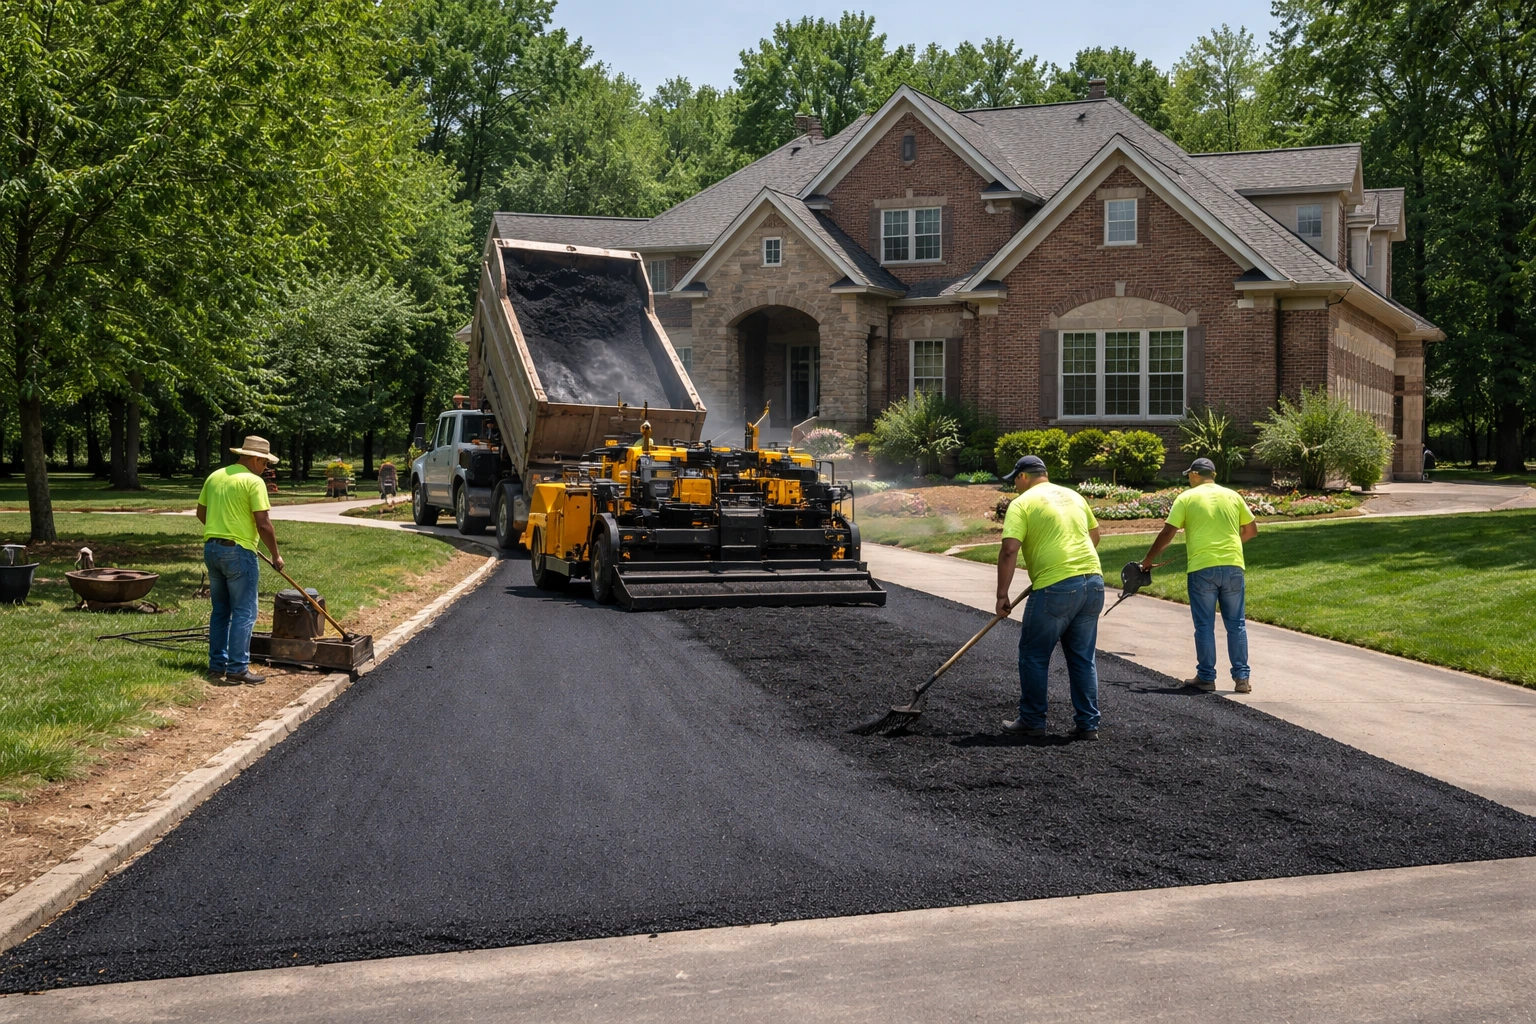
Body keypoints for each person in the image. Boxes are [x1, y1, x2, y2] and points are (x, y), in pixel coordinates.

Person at [995, 455, 1105, 741]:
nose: (1015, 488)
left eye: (1014, 482)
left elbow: (1009, 550)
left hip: (1056, 587)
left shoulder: (1022, 504)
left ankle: (1032, 720)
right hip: (1093, 582)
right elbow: (1094, 537)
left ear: (1023, 477)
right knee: (1082, 659)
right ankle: (1088, 724)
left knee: (1033, 655)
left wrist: (1002, 595)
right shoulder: (1073, 496)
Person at [1138, 458, 1258, 694]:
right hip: (1233, 566)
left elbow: (1168, 532)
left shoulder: (1186, 498)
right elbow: (1251, 530)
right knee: (1236, 625)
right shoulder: (1233, 496)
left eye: (1188, 475)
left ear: (1194, 474)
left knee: (1204, 625)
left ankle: (1206, 677)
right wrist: (1230, 546)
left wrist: (1148, 560)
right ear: (1212, 474)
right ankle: (1242, 679)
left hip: (1202, 569)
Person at [197, 436, 284, 685]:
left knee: (221, 611)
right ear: (255, 459)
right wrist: (275, 555)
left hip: (212, 550)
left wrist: (223, 530)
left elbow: (201, 512)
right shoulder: (253, 482)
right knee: (245, 612)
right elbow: (264, 524)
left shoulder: (215, 476)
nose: (266, 469)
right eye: (265, 463)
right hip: (238, 553)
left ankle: (217, 665)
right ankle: (237, 668)